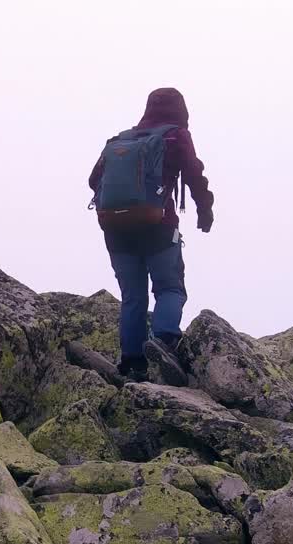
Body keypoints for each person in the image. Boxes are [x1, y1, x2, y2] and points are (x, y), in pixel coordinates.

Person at [88, 87, 214, 383]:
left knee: (133, 296)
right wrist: (204, 210)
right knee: (170, 288)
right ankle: (164, 342)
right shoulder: (176, 135)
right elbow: (194, 173)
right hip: (158, 226)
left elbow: (94, 180)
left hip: (117, 231)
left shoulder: (121, 140)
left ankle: (133, 363)